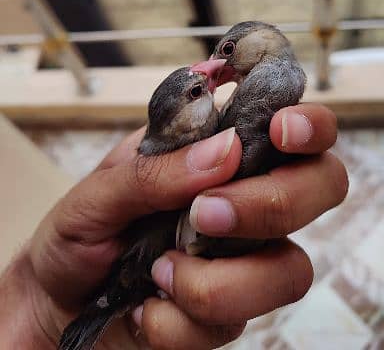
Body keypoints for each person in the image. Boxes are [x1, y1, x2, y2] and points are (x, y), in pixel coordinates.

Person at [0, 103, 347, 349]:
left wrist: (38, 309)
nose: (210, 80)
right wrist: (39, 318)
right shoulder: (174, 150)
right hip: (128, 281)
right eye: (198, 91)